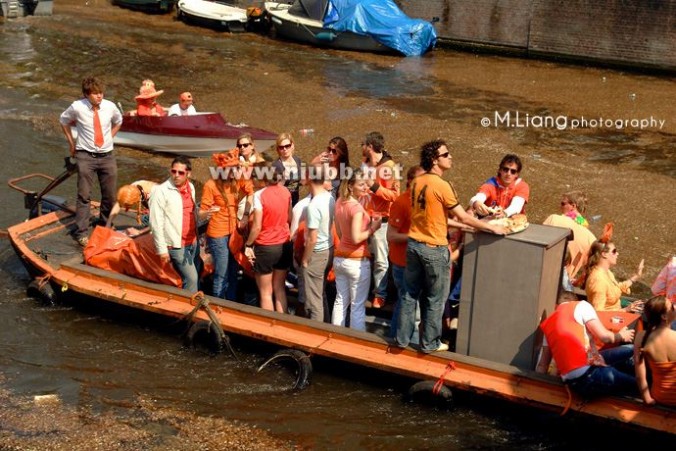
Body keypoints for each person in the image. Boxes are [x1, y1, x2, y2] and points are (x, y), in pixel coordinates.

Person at [395, 140, 507, 353]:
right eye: (446, 154)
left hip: (414, 245)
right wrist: (491, 228)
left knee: (408, 295)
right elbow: (463, 215)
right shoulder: (442, 186)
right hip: (434, 248)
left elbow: (437, 217)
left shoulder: (417, 182)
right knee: (435, 298)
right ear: (435, 160)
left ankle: (401, 340)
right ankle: (429, 343)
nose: (450, 157)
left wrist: (468, 226)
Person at [59, 76, 123, 247]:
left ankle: (105, 224)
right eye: (95, 94)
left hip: (107, 156)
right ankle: (81, 232)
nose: (99, 96)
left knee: (109, 195)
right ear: (86, 94)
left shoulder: (110, 106)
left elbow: (119, 121)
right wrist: (71, 143)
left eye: (101, 93)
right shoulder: (77, 107)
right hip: (85, 156)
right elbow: (63, 121)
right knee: (84, 195)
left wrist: (110, 137)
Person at [536, 291, 637, 398]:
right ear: (575, 301)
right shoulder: (581, 306)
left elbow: (543, 365)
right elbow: (605, 337)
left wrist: (539, 391)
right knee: (635, 383)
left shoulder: (548, 324)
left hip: (573, 381)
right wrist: (621, 336)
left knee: (629, 349)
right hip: (587, 376)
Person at [332, 169, 382, 330]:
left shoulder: (339, 201)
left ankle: (336, 335)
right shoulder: (357, 209)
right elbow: (356, 238)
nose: (365, 188)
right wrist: (373, 227)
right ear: (351, 186)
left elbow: (340, 232)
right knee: (357, 305)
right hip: (356, 260)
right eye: (361, 185)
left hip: (340, 257)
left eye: (366, 185)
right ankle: (357, 341)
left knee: (340, 300)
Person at [200, 150, 253, 300]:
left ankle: (231, 302)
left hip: (233, 231)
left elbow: (250, 193)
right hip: (217, 234)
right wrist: (207, 212)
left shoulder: (238, 178)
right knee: (221, 272)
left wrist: (246, 215)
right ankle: (218, 303)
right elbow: (201, 212)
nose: (234, 172)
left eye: (236, 168)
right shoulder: (211, 185)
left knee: (233, 270)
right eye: (231, 169)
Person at [149, 156, 206, 293]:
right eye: (173, 171)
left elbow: (191, 212)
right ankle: (188, 308)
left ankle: (189, 298)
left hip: (192, 241)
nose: (176, 175)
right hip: (176, 245)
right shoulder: (160, 191)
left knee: (196, 272)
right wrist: (162, 250)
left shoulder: (190, 187)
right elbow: (155, 223)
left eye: (181, 173)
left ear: (188, 174)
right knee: (191, 278)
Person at [244, 164, 293, 313]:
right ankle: (284, 324)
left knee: (265, 293)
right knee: (280, 289)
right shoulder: (286, 192)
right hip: (284, 244)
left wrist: (248, 244)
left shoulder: (260, 195)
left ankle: (270, 328)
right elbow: (289, 217)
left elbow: (257, 226)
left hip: (266, 246)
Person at [361, 131, 400, 308]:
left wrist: (374, 186)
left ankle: (380, 293)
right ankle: (367, 289)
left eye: (363, 144)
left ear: (369, 146)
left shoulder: (388, 168)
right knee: (367, 256)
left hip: (382, 220)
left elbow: (394, 195)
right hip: (365, 216)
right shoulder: (366, 163)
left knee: (381, 259)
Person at [387, 165, 425, 340]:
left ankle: (397, 338)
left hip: (414, 263)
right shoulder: (402, 202)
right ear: (410, 181)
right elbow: (391, 235)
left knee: (405, 304)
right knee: (408, 305)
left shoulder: (421, 200)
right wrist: (415, 236)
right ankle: (403, 341)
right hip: (402, 264)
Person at [300, 166, 335, 322]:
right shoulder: (329, 197)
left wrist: (305, 260)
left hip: (317, 254)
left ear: (309, 177)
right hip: (329, 249)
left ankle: (315, 336)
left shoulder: (313, 206)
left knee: (314, 303)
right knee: (320, 295)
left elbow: (312, 238)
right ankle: (326, 327)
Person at [585, 223, 645, 312]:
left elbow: (616, 288)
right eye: (614, 251)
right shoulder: (598, 281)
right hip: (609, 322)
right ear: (604, 254)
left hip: (617, 315)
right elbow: (598, 313)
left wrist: (636, 275)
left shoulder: (606, 272)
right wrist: (626, 310)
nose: (617, 254)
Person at [633, 296, 676, 406]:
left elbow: (639, 376)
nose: (675, 307)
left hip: (659, 397)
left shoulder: (641, 337)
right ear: (664, 316)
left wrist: (647, 398)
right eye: (672, 306)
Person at [469, 153, 529, 218]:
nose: (508, 173)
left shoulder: (522, 186)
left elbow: (516, 206)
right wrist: (476, 202)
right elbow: (479, 197)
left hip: (513, 222)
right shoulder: (491, 183)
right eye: (505, 169)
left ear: (517, 174)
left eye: (513, 171)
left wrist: (505, 213)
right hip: (490, 219)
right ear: (500, 170)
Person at [272, 133, 303, 206]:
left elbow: (300, 181)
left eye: (287, 146)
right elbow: (273, 189)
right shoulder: (276, 165)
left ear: (292, 145)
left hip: (295, 201)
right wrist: (283, 180)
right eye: (281, 147)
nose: (284, 149)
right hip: (281, 202)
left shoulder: (297, 160)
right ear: (278, 149)